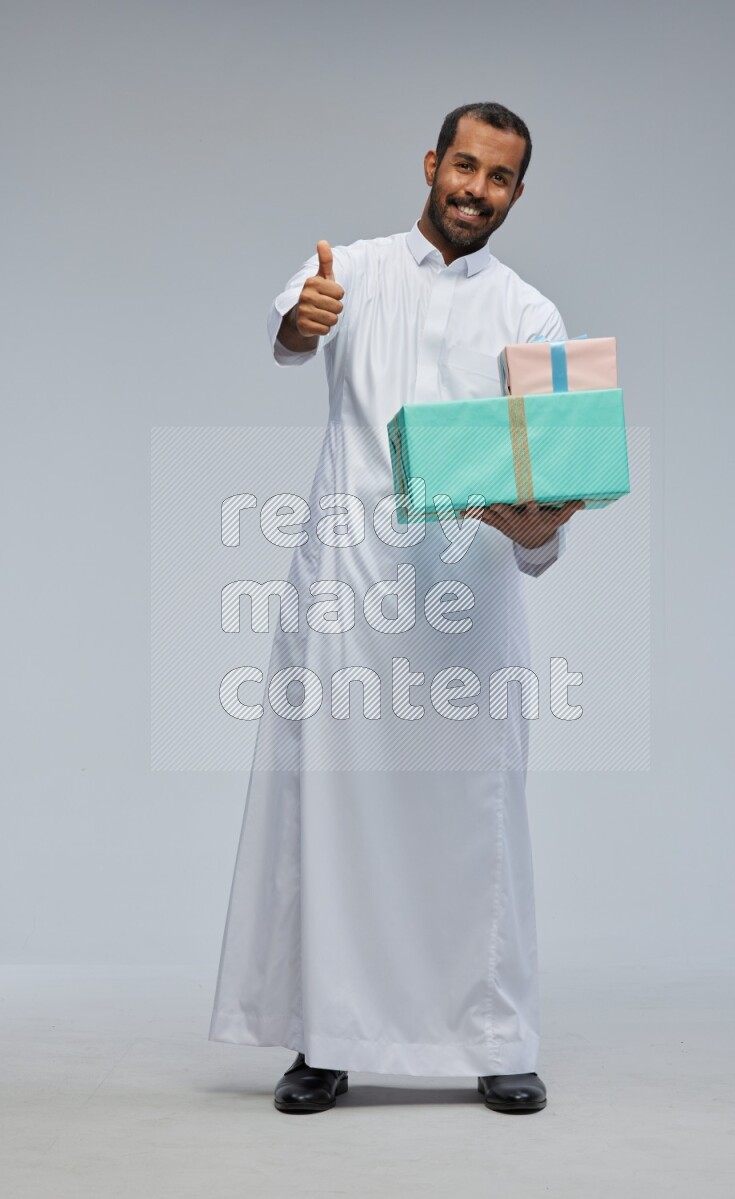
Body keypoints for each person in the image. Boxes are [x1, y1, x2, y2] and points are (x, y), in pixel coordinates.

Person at [208, 101, 584, 1115]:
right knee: (330, 815)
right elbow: (292, 331)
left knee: (478, 817)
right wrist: (301, 321)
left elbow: (545, 490)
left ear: (514, 192)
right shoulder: (352, 268)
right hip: (347, 595)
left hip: (468, 601)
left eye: (498, 177)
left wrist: (541, 516)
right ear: (431, 164)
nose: (474, 189)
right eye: (463, 165)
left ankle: (497, 1035)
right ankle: (323, 1041)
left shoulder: (529, 314)